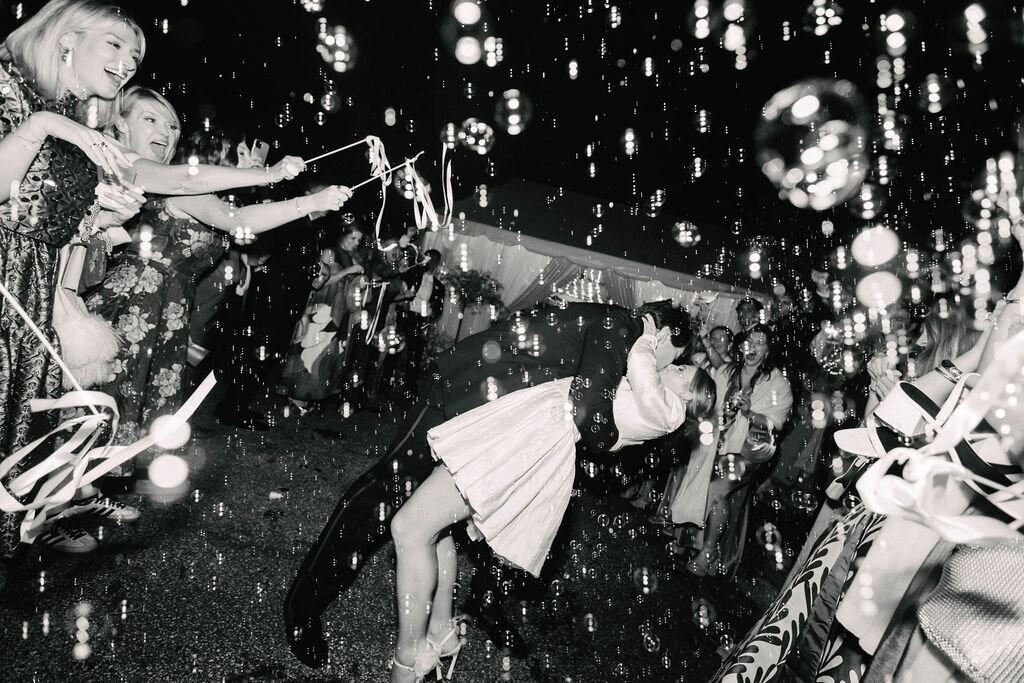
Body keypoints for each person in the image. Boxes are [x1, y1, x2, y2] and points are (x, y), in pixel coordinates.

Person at [284, 300, 694, 668]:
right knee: (379, 495)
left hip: (478, 416)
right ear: (663, 336)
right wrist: (612, 440)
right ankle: (302, 609)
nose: (660, 373)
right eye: (673, 359)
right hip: (456, 398)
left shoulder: (610, 321)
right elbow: (588, 409)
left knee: (425, 519)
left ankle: (441, 630)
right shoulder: (621, 327)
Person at [387, 315, 715, 681]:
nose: (675, 367)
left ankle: (409, 658)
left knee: (408, 528)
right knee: (435, 529)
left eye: (683, 372)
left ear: (689, 397)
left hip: (531, 441)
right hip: (530, 429)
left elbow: (634, 374)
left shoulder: (669, 411)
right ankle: (441, 631)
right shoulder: (655, 397)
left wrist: (647, 334)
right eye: (681, 363)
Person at [85, 90, 352, 461]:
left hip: (168, 308)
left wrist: (312, 202)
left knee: (131, 399)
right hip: (133, 305)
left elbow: (236, 220)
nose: (165, 131)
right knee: (106, 399)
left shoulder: (168, 179)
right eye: (150, 119)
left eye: (172, 125)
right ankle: (75, 487)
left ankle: (95, 486)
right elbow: (205, 197)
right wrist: (268, 174)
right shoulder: (129, 164)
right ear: (120, 124)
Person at [0, 0, 146, 575]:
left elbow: (42, 218)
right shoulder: (12, 91)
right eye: (115, 43)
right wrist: (42, 126)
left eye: (135, 54)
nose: (128, 61)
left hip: (29, 290)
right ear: (66, 38)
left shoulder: (65, 112)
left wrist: (103, 217)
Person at [678, 323, 794, 576]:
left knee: (715, 490)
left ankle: (707, 551)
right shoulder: (731, 370)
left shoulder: (778, 383)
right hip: (721, 443)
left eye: (760, 343)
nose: (752, 347)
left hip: (750, 451)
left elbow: (776, 423)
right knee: (710, 492)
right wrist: (705, 340)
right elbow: (717, 365)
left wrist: (749, 412)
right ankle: (704, 546)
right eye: (749, 342)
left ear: (768, 349)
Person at [278, 215, 366, 412]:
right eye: (353, 238)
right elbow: (319, 281)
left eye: (359, 240)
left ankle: (311, 394)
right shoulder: (329, 253)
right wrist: (348, 271)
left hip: (338, 311)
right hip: (320, 308)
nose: (356, 243)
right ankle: (296, 395)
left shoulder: (352, 258)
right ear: (343, 234)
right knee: (308, 351)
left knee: (325, 355)